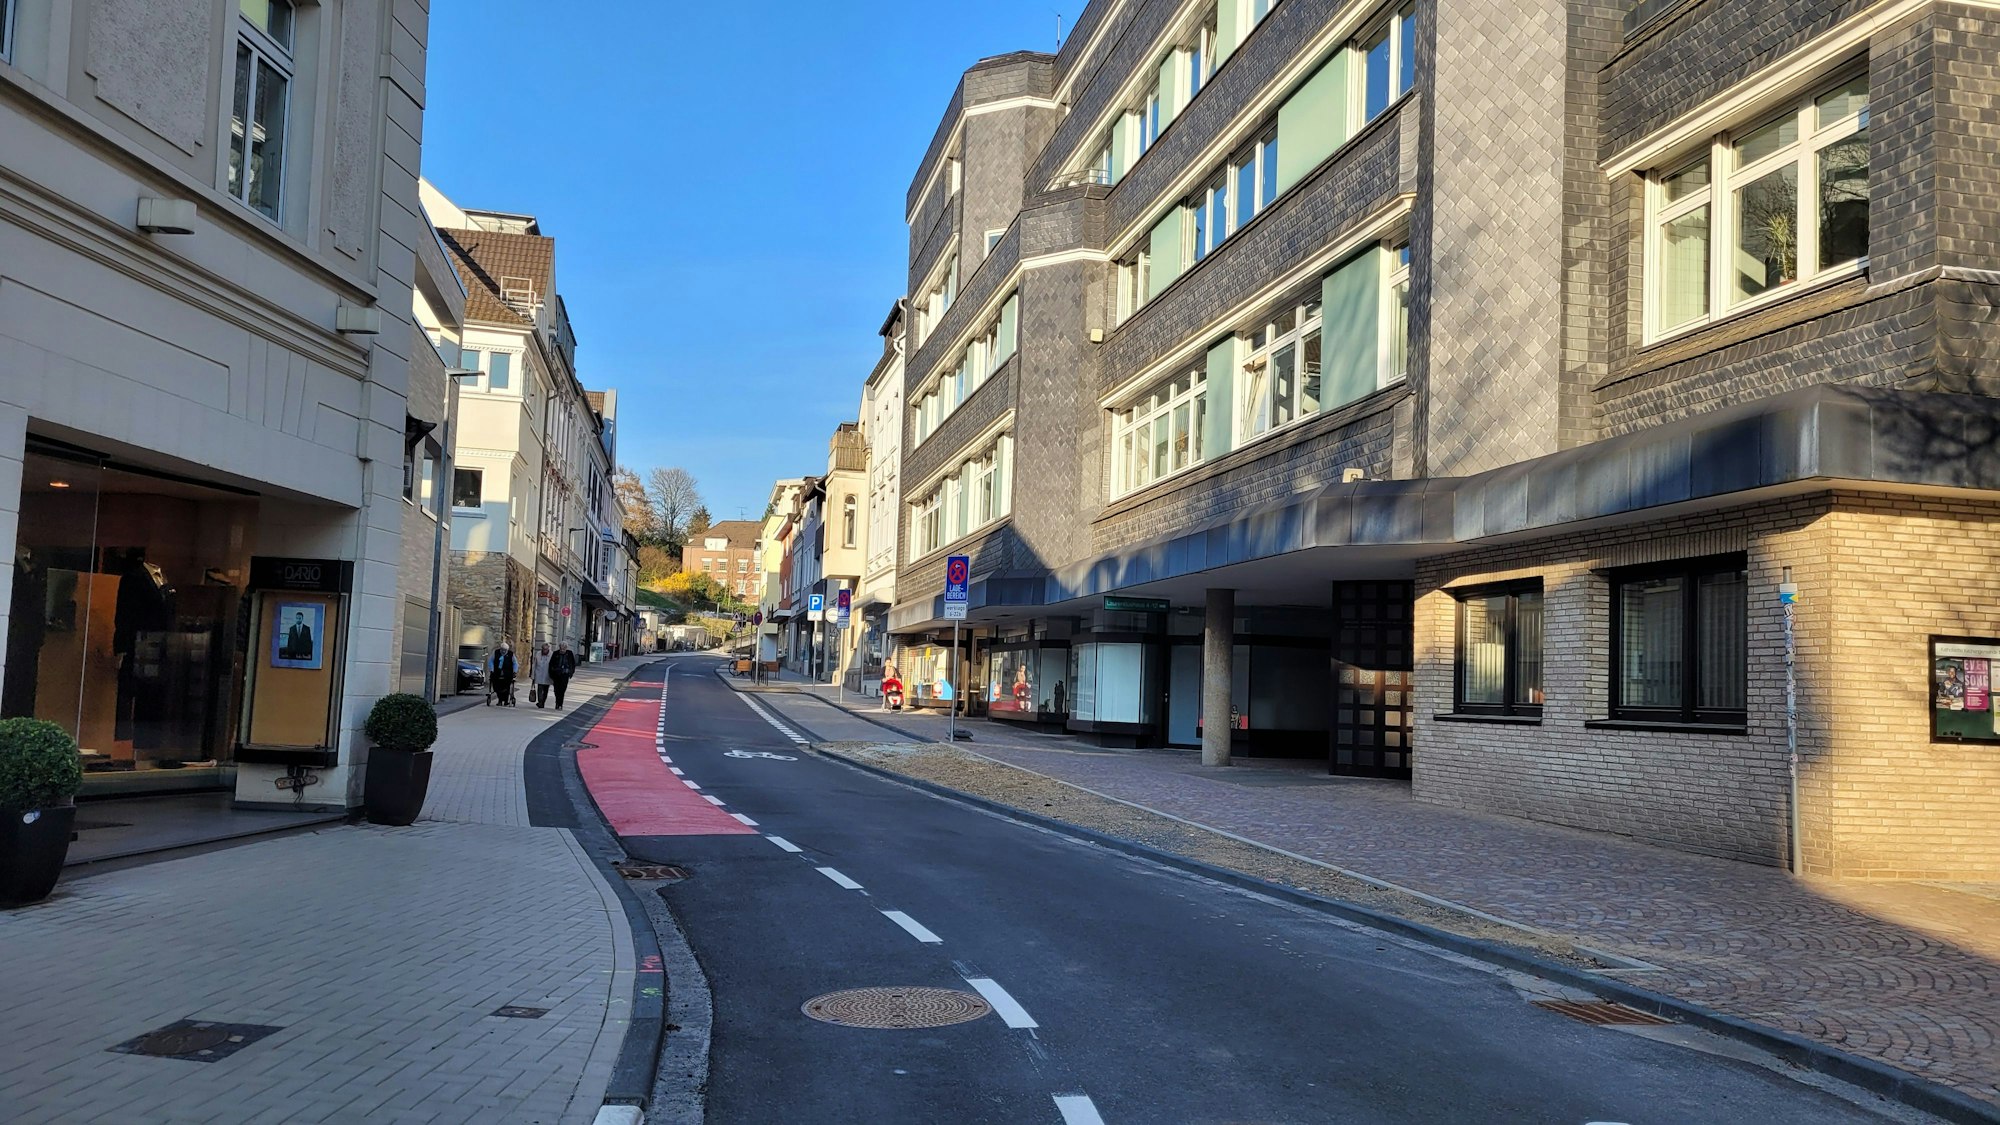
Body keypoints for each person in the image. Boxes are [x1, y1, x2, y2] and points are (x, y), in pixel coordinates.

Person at [487, 642, 517, 707]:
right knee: (497, 686)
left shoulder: (511, 654)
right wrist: (491, 669)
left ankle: (506, 701)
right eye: (502, 649)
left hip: (507, 673)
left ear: (507, 650)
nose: (503, 651)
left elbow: (515, 663)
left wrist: (514, 671)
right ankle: (500, 700)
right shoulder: (496, 652)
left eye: (505, 650)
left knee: (506, 687)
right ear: (500, 648)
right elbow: (491, 661)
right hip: (496, 673)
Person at [551, 644, 578, 708]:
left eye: (564, 649)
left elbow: (572, 663)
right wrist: (552, 672)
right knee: (556, 689)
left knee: (562, 689)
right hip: (556, 674)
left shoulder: (569, 653)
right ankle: (557, 701)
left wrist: (571, 672)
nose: (562, 650)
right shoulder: (555, 653)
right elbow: (551, 663)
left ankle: (560, 704)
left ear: (566, 648)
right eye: (561, 648)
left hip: (565, 674)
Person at [531, 642, 554, 708]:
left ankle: (543, 702)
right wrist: (533, 675)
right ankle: (540, 702)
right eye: (543, 649)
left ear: (548, 649)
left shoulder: (552, 654)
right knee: (540, 689)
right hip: (539, 674)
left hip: (547, 675)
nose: (544, 650)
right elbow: (534, 665)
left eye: (546, 649)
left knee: (545, 690)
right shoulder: (538, 654)